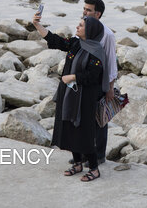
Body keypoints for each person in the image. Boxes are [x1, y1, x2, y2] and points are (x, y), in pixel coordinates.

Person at [32, 14, 108, 182]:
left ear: (90, 31)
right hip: (69, 94)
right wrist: (38, 26)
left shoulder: (97, 52)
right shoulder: (76, 43)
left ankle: (94, 169)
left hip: (86, 99)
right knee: (68, 126)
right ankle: (78, 163)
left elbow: (93, 77)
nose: (77, 27)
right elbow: (57, 42)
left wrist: (73, 77)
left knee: (84, 132)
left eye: (81, 25)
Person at [82, 0, 118, 165]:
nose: (84, 12)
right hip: (84, 80)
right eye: (84, 9)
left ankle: (99, 155)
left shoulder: (107, 34)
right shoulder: (83, 29)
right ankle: (83, 153)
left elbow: (111, 61)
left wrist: (110, 87)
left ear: (98, 13)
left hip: (99, 83)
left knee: (99, 119)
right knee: (83, 118)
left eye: (88, 10)